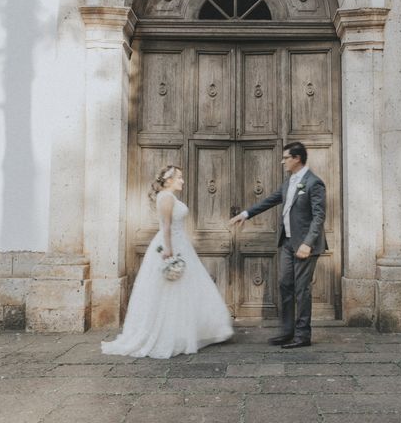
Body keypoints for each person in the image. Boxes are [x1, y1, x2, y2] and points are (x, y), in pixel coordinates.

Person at [101, 165, 233, 358]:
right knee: (170, 289)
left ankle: (185, 331)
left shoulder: (170, 197)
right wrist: (169, 250)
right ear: (169, 180)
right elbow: (167, 226)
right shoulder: (166, 197)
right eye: (179, 177)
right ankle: (170, 334)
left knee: (185, 289)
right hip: (170, 244)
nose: (183, 181)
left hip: (180, 244)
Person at [230, 142, 326, 348]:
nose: (283, 161)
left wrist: (308, 243)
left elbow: (319, 217)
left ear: (297, 158)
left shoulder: (313, 183)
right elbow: (270, 200)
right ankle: (287, 331)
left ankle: (302, 336)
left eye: (286, 157)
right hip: (288, 243)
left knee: (302, 290)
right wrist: (246, 214)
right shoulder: (290, 181)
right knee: (285, 285)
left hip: (305, 246)